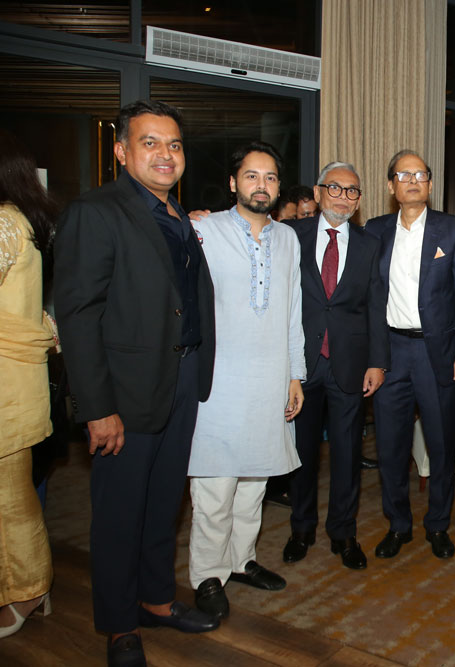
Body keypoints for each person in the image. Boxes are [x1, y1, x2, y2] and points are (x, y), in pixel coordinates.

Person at [54, 100, 219, 666]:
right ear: (122, 151)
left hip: (182, 378)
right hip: (125, 392)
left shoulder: (178, 216)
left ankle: (156, 599)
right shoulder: (96, 211)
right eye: (150, 143)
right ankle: (120, 625)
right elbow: (78, 316)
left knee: (164, 503)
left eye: (174, 144)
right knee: (120, 513)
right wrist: (97, 407)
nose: (165, 154)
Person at [185, 142, 306, 620]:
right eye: (252, 176)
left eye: (271, 177)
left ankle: (240, 560)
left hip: (269, 378)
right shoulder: (203, 230)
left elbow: (293, 310)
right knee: (215, 484)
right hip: (219, 381)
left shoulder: (288, 239)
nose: (262, 185)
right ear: (233, 182)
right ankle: (207, 574)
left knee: (255, 481)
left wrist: (295, 374)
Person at [364, 150, 455, 560]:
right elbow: (368, 297)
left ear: (430, 183)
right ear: (390, 185)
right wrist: (372, 357)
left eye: (420, 174)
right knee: (390, 447)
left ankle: (438, 524)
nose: (413, 181)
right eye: (404, 175)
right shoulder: (374, 230)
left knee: (441, 443)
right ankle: (398, 524)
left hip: (438, 353)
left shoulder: (453, 230)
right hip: (390, 352)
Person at [282, 160, 388, 569]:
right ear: (318, 191)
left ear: (359, 200)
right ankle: (301, 528)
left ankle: (343, 532)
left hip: (350, 365)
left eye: (352, 191)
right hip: (301, 364)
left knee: (347, 455)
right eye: (335, 188)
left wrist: (378, 362)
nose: (343, 197)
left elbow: (375, 306)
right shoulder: (291, 235)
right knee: (301, 452)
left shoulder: (369, 244)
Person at [0, 130, 58, 638]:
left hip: (8, 390)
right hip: (19, 383)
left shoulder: (4, 223)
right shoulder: (24, 221)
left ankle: (29, 589)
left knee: (11, 501)